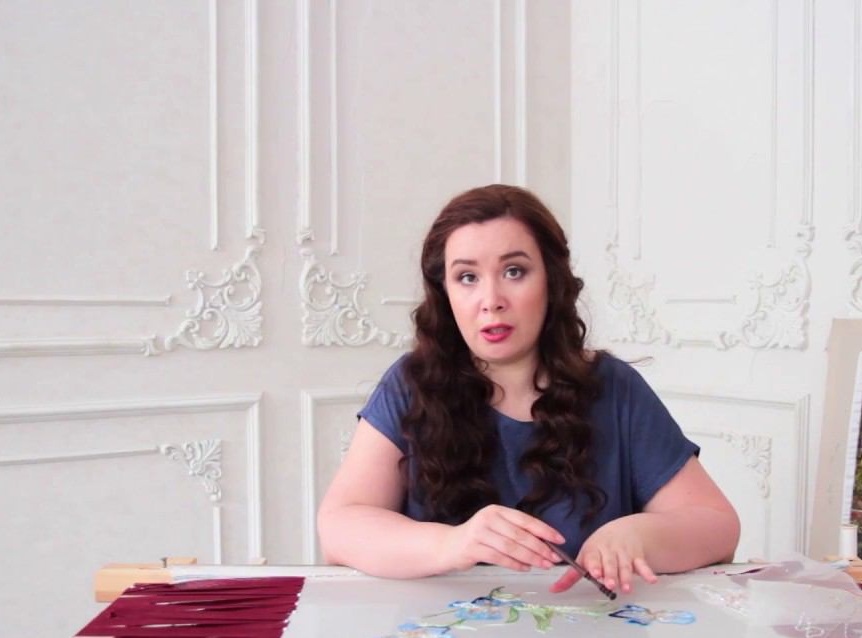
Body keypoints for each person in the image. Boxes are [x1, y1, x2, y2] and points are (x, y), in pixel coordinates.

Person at [317, 184, 740, 594]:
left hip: (593, 636)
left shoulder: (614, 387)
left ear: (551, 281)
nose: (491, 299)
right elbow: (339, 528)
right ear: (445, 294)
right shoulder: (410, 384)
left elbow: (717, 525)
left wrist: (635, 536)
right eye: (467, 277)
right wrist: (453, 543)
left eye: (514, 271)